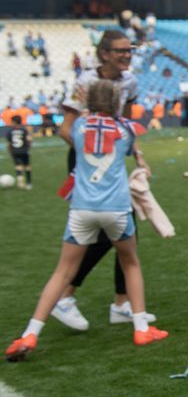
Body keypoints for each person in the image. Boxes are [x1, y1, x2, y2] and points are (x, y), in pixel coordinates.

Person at [6, 80, 167, 361]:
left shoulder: (79, 128)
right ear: (117, 103)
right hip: (117, 208)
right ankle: (141, 328)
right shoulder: (126, 130)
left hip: (82, 208)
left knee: (63, 271)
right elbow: (132, 143)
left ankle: (30, 333)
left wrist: (76, 101)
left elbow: (64, 128)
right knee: (130, 263)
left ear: (88, 101)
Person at [53, 30, 154, 332]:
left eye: (130, 50)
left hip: (111, 160)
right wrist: (92, 155)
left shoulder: (130, 81)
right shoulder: (84, 82)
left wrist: (133, 153)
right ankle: (67, 295)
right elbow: (65, 129)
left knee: (123, 227)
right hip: (86, 162)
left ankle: (122, 303)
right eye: (122, 51)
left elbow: (122, 124)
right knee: (106, 230)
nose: (127, 55)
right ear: (105, 53)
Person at [7, 114, 32, 190]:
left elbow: (10, 143)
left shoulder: (10, 131)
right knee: (27, 166)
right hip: (24, 150)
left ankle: (20, 182)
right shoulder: (24, 130)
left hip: (15, 151)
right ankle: (28, 183)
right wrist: (29, 146)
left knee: (18, 166)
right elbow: (29, 140)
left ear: (14, 122)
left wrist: (9, 151)